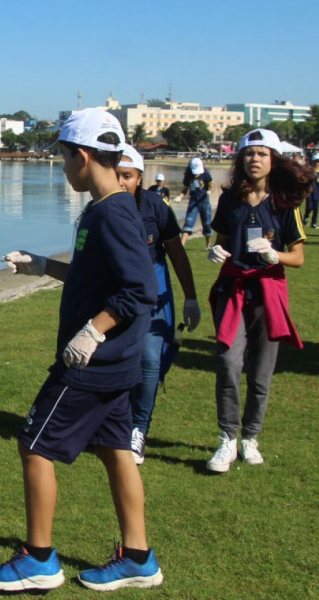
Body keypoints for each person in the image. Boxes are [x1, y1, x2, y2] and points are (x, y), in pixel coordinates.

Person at [0, 108, 162, 591]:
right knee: (116, 450)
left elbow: (141, 289)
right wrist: (43, 266)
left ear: (82, 156)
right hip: (117, 363)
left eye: (63, 158)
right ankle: (138, 558)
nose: (62, 167)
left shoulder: (113, 212)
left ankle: (39, 559)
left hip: (95, 362)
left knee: (34, 445)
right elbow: (96, 277)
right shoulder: (105, 208)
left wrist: (93, 331)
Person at [204, 129, 310, 473]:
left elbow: (298, 257)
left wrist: (275, 255)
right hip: (232, 289)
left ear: (273, 160)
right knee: (228, 363)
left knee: (261, 372)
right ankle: (227, 439)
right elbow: (221, 241)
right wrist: (214, 251)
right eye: (249, 154)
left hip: (267, 293)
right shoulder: (230, 200)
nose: (255, 159)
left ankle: (250, 437)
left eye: (262, 154)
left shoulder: (285, 203)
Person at [114, 143, 199, 465]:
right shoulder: (101, 207)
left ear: (140, 177)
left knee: (150, 360)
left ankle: (139, 429)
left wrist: (190, 297)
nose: (120, 181)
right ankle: (116, 424)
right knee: (118, 360)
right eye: (115, 174)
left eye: (127, 175)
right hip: (115, 291)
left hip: (154, 288)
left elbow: (177, 254)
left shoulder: (156, 208)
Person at [175, 157, 213, 248]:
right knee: (189, 221)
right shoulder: (188, 176)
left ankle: (208, 244)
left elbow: (212, 186)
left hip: (204, 201)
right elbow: (185, 189)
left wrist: (210, 191)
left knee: (207, 223)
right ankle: (181, 245)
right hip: (193, 202)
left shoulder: (205, 174)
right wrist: (180, 197)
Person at [302, 153, 319, 229]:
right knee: (309, 207)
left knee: (316, 209)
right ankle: (306, 218)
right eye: (316, 161)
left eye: (318, 161)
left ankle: (314, 223)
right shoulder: (309, 170)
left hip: (317, 193)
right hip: (309, 192)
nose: (317, 163)